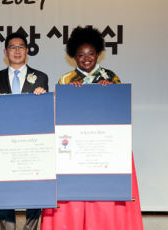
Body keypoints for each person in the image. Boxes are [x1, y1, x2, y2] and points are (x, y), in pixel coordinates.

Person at [40, 26, 143, 230]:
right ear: (73, 57)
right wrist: (70, 94)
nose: (86, 58)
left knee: (105, 194)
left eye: (91, 53)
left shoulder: (111, 77)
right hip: (77, 147)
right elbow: (58, 113)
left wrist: (111, 92)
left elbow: (120, 111)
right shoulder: (65, 80)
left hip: (104, 146)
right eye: (81, 55)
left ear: (98, 54)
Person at [0, 32, 49, 230]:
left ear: (27, 50)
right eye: (12, 47)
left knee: (34, 187)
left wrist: (43, 97)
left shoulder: (40, 77)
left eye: (20, 46)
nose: (16, 50)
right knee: (5, 187)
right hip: (5, 144)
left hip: (31, 144)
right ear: (5, 51)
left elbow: (44, 113)